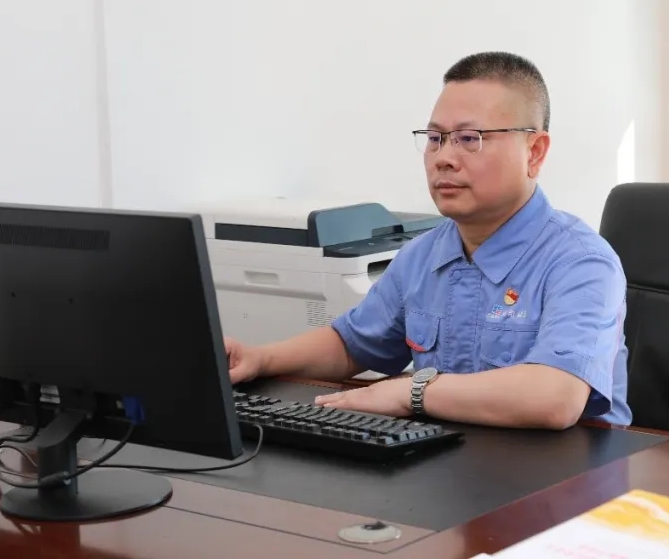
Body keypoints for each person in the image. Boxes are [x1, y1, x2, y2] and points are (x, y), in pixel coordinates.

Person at [224, 51, 630, 430]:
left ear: (535, 152)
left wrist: (410, 392)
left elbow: (556, 397)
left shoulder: (580, 261)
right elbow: (352, 346)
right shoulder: (422, 255)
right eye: (435, 138)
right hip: (455, 462)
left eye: (469, 138)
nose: (444, 158)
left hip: (570, 471)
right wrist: (261, 358)